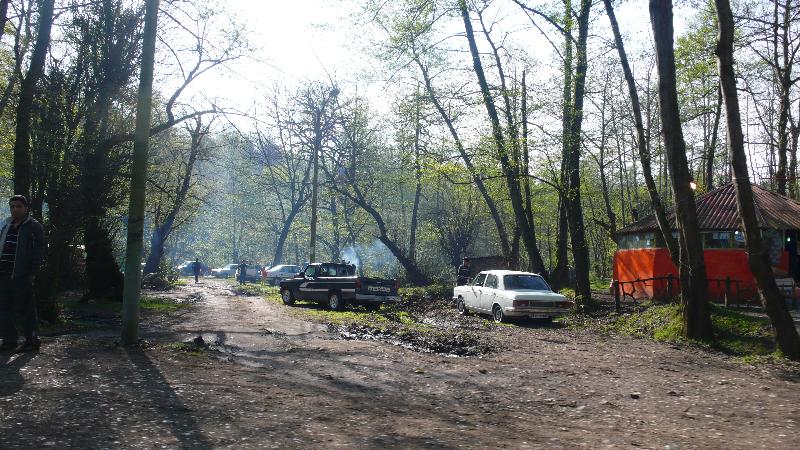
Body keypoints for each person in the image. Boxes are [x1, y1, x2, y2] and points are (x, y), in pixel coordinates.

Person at [0, 195, 45, 353]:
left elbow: (38, 252)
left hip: (22, 275)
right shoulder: (7, 225)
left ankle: (31, 341)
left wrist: (32, 272)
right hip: (3, 274)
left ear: (26, 208)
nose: (15, 209)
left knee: (26, 309)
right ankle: (9, 341)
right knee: (3, 308)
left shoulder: (33, 226)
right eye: (12, 206)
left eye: (18, 206)